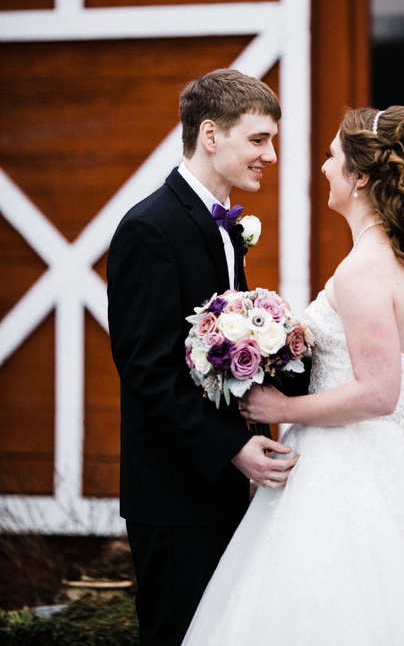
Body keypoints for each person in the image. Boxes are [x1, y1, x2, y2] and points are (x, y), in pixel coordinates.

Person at [182, 105, 404, 644]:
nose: (324, 168)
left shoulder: (363, 269)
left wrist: (280, 408)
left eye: (333, 157)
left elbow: (380, 393)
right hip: (389, 454)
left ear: (360, 176)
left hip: (340, 463)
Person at [107, 69, 300, 645]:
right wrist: (232, 448)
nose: (270, 154)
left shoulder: (223, 226)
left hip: (214, 488)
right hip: (172, 492)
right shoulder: (150, 228)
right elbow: (146, 368)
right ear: (211, 135)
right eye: (259, 139)